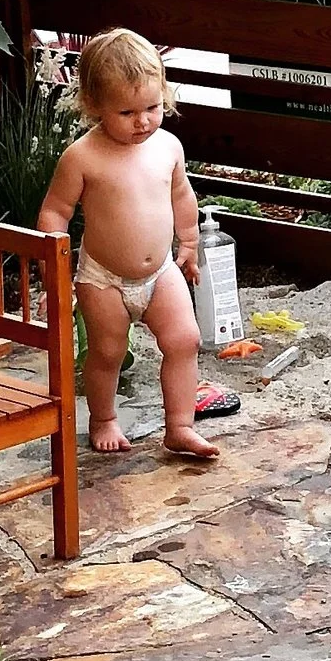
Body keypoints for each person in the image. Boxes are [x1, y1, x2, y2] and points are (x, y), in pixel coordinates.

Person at [38, 29, 219, 462]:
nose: (143, 121)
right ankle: (103, 418)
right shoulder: (83, 157)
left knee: (184, 339)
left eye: (152, 107)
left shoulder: (168, 147)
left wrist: (189, 243)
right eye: (127, 111)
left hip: (160, 272)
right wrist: (53, 267)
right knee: (107, 351)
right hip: (103, 278)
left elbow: (181, 196)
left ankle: (179, 426)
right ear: (93, 105)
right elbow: (55, 211)